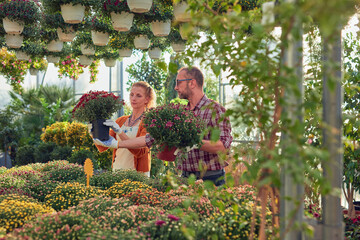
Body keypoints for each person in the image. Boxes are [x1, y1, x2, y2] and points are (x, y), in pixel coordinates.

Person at [97, 67, 233, 186]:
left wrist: (195, 142)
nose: (175, 87)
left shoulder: (215, 110)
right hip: (186, 177)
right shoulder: (181, 113)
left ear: (192, 83)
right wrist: (115, 144)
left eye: (178, 82)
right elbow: (149, 139)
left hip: (211, 178)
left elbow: (223, 146)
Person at [91, 81, 156, 177]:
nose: (133, 98)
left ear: (147, 99)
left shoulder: (148, 121)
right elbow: (103, 146)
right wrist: (95, 131)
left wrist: (120, 132)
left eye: (138, 96)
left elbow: (140, 152)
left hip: (138, 175)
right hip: (117, 171)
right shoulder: (121, 120)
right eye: (131, 95)